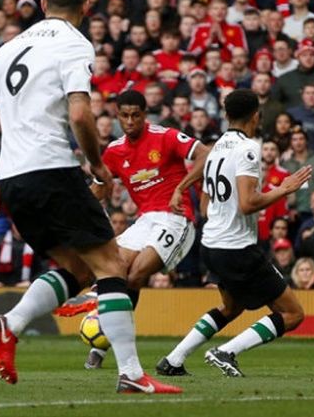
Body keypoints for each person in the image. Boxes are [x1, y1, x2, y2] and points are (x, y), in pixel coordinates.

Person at [0, 0, 180, 393]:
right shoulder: (74, 43)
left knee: (78, 268)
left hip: (13, 178)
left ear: (43, 5)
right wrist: (98, 164)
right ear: (85, 9)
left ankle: (10, 325)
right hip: (51, 169)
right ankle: (132, 374)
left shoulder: (9, 47)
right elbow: (80, 114)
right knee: (112, 266)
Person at [158, 89, 312, 377]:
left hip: (211, 244)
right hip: (237, 248)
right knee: (293, 314)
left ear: (226, 115)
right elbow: (247, 203)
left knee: (232, 308)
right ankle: (227, 351)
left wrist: (183, 188)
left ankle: (173, 359)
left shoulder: (218, 147)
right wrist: (283, 189)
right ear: (256, 116)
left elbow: (204, 198)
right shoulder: (248, 149)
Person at [59, 90, 208, 369]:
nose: (130, 121)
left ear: (144, 114)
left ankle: (106, 339)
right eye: (124, 116)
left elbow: (205, 155)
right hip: (145, 221)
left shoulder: (165, 136)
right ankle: (103, 343)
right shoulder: (114, 151)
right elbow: (102, 186)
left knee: (136, 274)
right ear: (118, 116)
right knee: (114, 269)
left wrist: (181, 189)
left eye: (135, 115)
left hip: (176, 219)